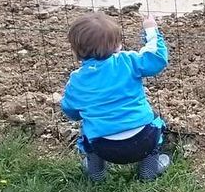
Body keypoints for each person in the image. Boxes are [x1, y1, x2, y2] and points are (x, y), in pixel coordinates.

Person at [60, 11, 171, 182]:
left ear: (76, 51)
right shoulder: (128, 61)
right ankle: (149, 170)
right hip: (143, 140)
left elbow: (70, 111)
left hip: (103, 147)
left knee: (87, 126)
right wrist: (151, 30)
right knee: (155, 120)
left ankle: (96, 172)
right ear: (117, 46)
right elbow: (156, 59)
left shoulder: (76, 80)